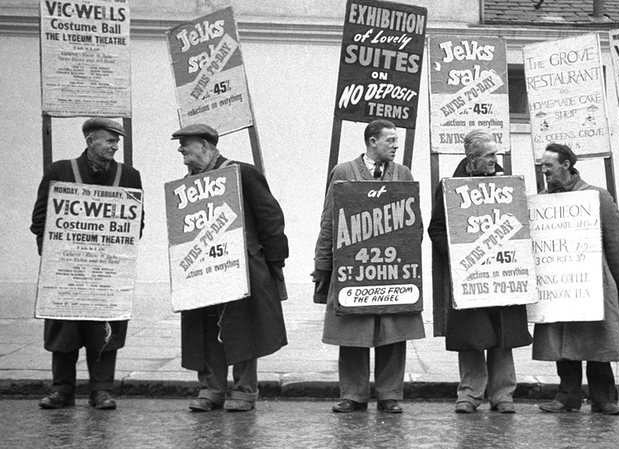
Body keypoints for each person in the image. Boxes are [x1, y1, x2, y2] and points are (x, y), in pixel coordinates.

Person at [171, 123, 288, 413]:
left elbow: (270, 216)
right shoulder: (186, 184)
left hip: (243, 267)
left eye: (186, 144)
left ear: (206, 147)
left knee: (244, 329)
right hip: (203, 269)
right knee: (206, 328)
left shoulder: (242, 172)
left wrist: (274, 263)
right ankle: (211, 390)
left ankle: (245, 392)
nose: (181, 150)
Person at [31, 117, 144, 410]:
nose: (114, 146)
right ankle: (62, 391)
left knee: (105, 329)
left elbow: (136, 222)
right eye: (108, 140)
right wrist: (53, 258)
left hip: (107, 272)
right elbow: (41, 219)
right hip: (68, 270)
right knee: (64, 330)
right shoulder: (60, 170)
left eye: (116, 141)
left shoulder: (129, 175)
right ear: (90, 141)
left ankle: (102, 391)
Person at [313, 119, 425, 414]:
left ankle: (390, 395)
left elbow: (415, 222)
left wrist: (408, 254)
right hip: (354, 270)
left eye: (397, 140)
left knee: (393, 331)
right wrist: (322, 264)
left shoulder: (403, 174)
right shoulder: (343, 172)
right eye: (390, 140)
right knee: (352, 332)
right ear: (372, 141)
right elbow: (329, 220)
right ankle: (353, 394)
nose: (395, 145)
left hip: (391, 269)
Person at [427, 129, 532, 414]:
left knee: (503, 334)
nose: (495, 160)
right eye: (489, 155)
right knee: (472, 336)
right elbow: (436, 228)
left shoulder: (506, 184)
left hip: (502, 272)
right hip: (469, 275)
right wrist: (457, 253)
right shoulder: (450, 185)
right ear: (471, 158)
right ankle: (470, 394)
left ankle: (502, 395)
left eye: (496, 155)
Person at [533, 143, 619, 415]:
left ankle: (604, 398)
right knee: (563, 343)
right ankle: (567, 397)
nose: (545, 171)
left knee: (597, 341)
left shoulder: (597, 196)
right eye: (543, 166)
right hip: (558, 285)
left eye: (549, 166)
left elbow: (618, 239)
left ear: (566, 164)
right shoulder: (543, 201)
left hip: (592, 284)